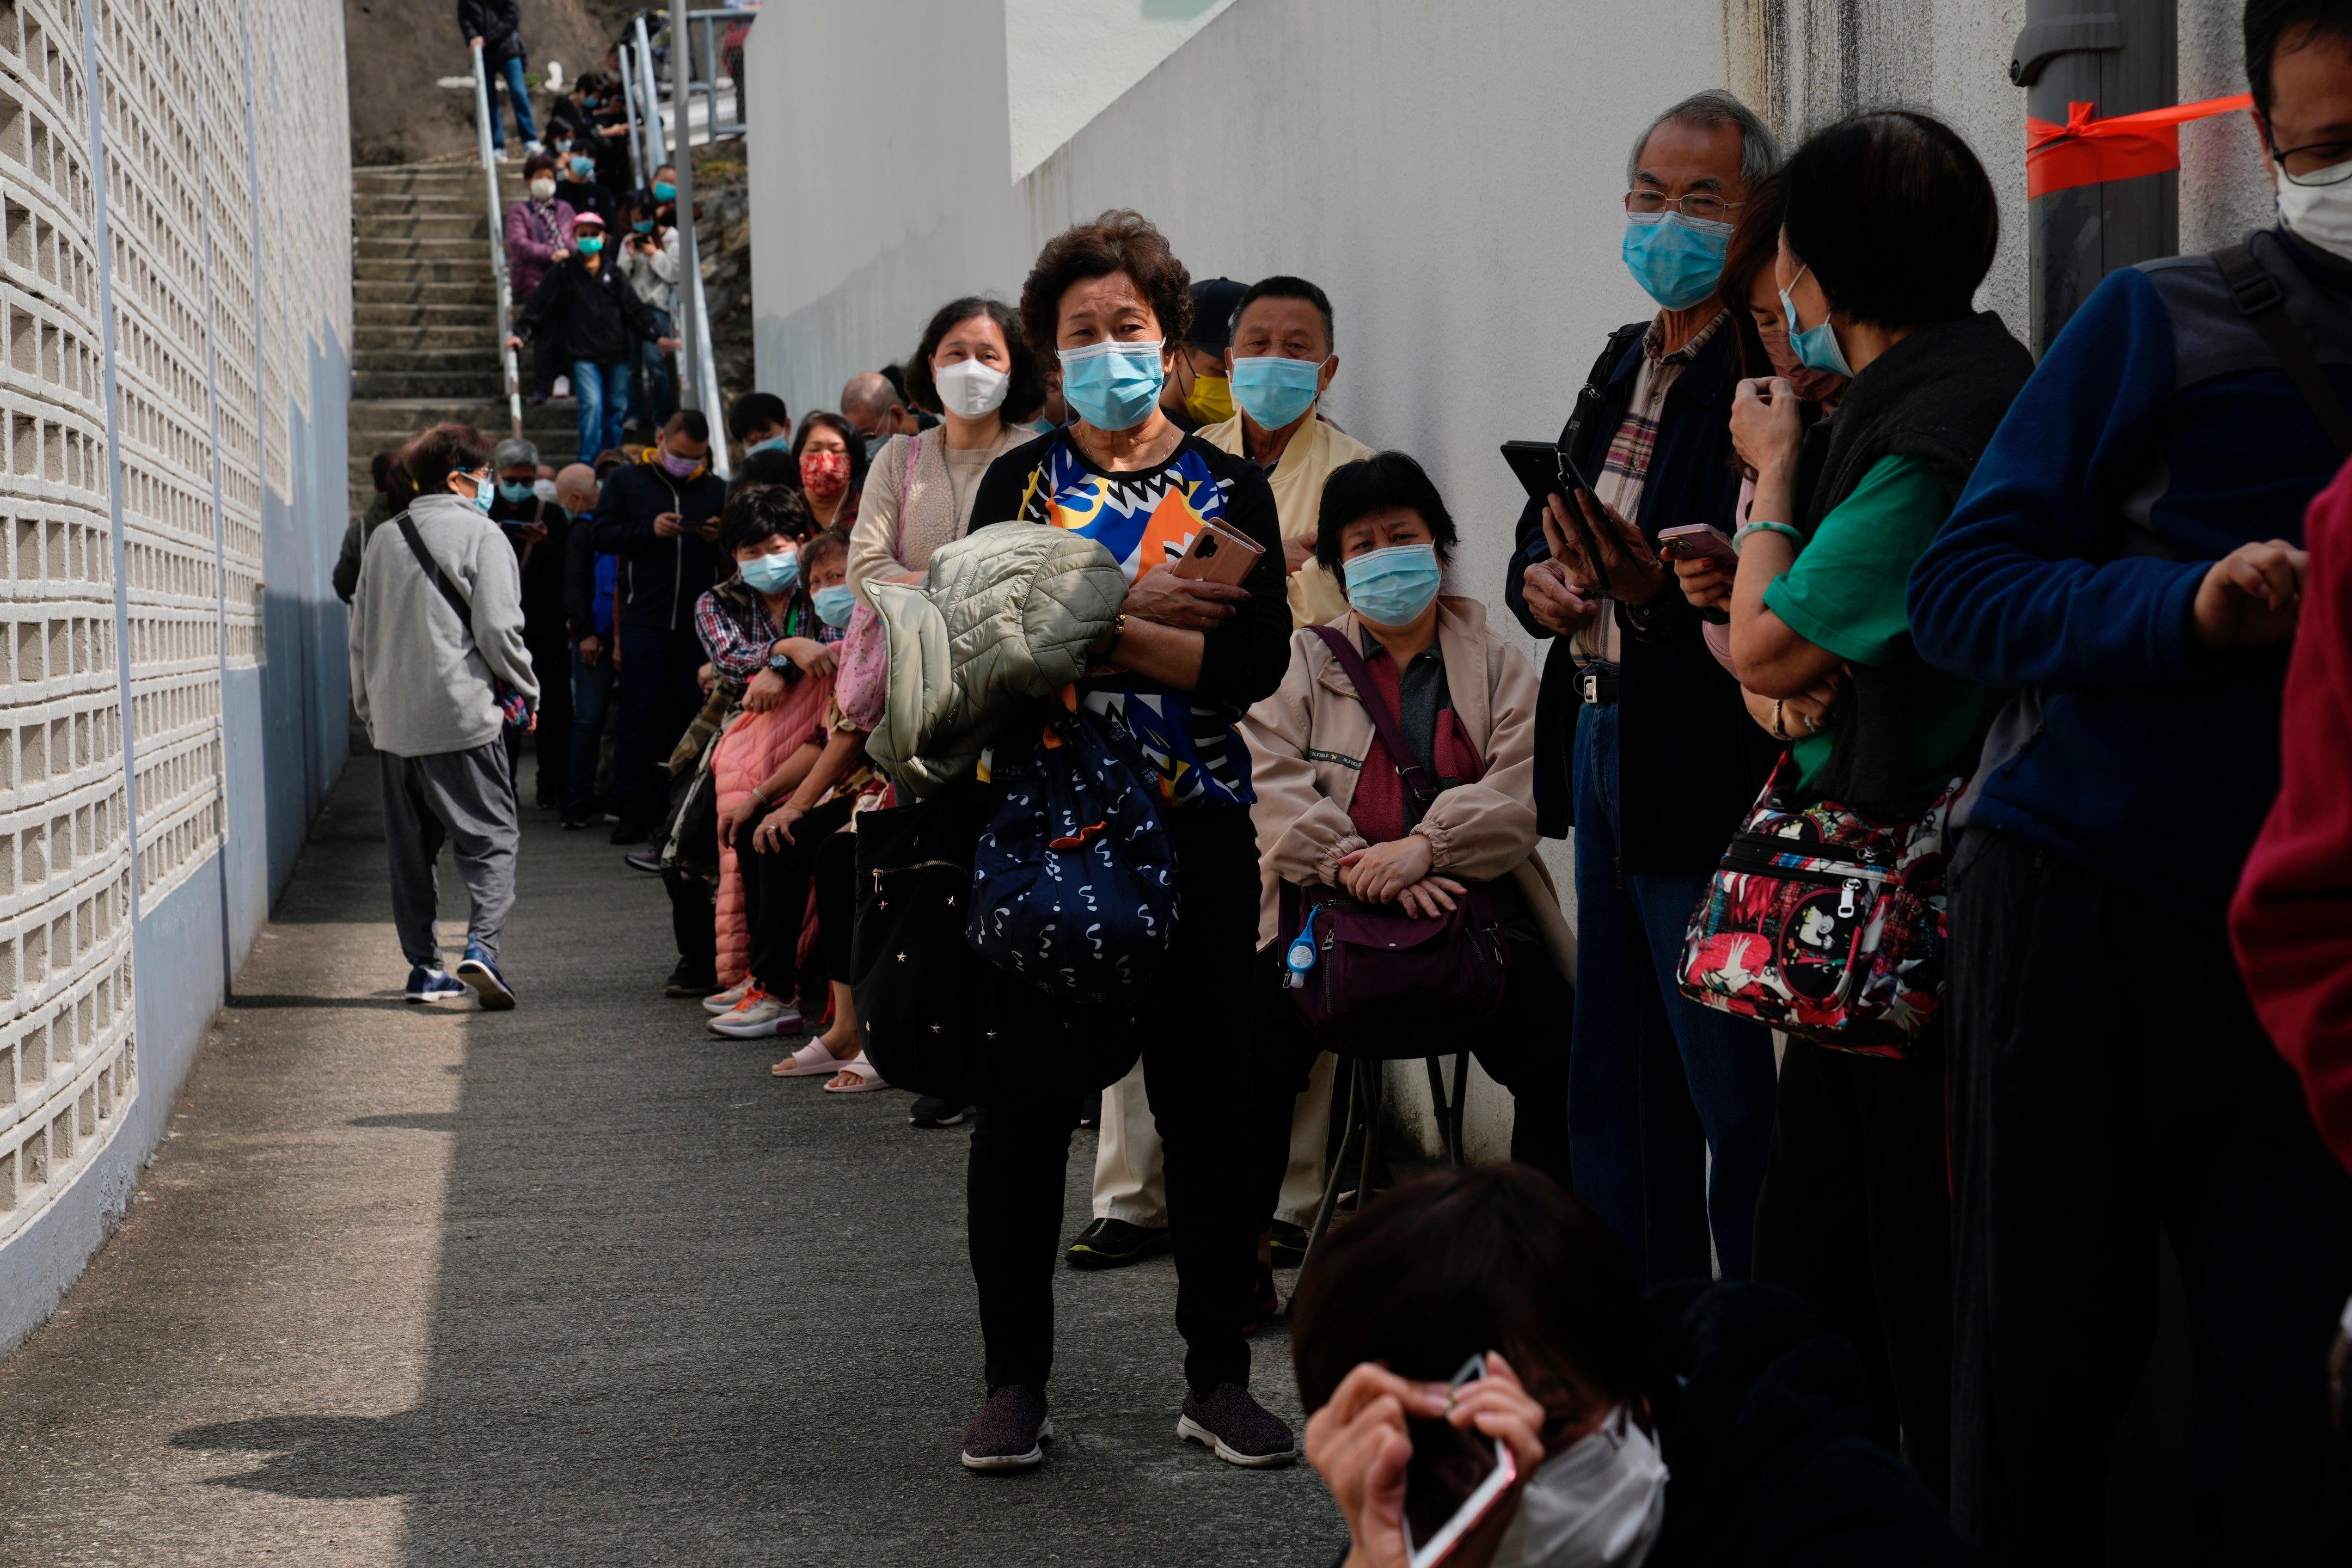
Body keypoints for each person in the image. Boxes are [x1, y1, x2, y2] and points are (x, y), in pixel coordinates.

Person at [1906, 4, 2352, 1557]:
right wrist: (2186, 610)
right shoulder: (2168, 316)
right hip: (2083, 909)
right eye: (2330, 146)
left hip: (2313, 970)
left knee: (2285, 1412)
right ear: (2271, 141)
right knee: (2041, 1390)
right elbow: (1959, 592)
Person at [1673, 109, 2029, 1508]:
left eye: (1790, 269)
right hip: (1869, 924)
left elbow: (1774, 656)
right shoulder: (1919, 398)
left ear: (1822, 272)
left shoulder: (1930, 429)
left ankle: (1901, 1515)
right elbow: (1781, 668)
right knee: (1815, 1247)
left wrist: (1765, 485)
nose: (1782, 305)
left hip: (1908, 915)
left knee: (1905, 1260)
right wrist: (1762, 606)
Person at [954, 209, 1294, 1473]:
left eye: (1130, 329)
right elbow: (985, 648)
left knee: (1213, 1109)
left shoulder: (1231, 484)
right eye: (1082, 334)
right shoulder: (1019, 481)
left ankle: (1219, 1375)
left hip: (1199, 832)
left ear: (1169, 339)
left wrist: (1089, 624)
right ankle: (1013, 1381)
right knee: (1026, 1116)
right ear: (1051, 356)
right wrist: (1141, 613)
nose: (1110, 352)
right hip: (1052, 832)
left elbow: (1249, 664)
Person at [1501, 89, 1784, 1288]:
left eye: (1704, 201)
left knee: (1727, 1084)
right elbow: (1551, 517)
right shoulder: (1628, 353)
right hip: (1603, 728)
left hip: (1706, 744)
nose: (1672, 223)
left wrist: (1672, 579)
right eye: (1652, 198)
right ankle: (1642, 1348)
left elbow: (1764, 554)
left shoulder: (1770, 368)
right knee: (1611, 1071)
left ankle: (1755, 1353)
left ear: (1759, 215)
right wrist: (1538, 581)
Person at [1294, 1166, 1970, 1568]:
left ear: (1640, 1389)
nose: (1521, 1479)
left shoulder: (1835, 1520)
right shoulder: (1394, 1541)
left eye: (1554, 1427)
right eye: (1468, 1451)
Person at [1242, 451, 1577, 1201]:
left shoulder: (1496, 666)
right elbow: (1269, 786)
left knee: (1566, 1057)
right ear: (1334, 565)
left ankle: (1529, 1255)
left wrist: (1427, 850)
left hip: (1474, 908)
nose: (1384, 557)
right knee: (1247, 1061)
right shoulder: (1296, 664)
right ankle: (1241, 1269)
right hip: (1321, 910)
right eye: (1361, 546)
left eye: (1401, 536)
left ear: (1440, 547)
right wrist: (1358, 865)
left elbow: (1522, 793)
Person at [347, 423, 537, 1010]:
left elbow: (360, 635)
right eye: (486, 478)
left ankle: (424, 968)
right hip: (462, 715)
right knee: (493, 839)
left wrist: (369, 710)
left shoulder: (383, 536)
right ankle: (481, 945)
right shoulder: (482, 534)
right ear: (459, 478)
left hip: (395, 720)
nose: (491, 489)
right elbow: (500, 628)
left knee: (411, 853)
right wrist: (528, 688)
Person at [715, 532, 877, 1083]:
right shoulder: (847, 640)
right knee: (753, 828)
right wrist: (764, 800)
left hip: (880, 788)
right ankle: (770, 981)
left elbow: (852, 737)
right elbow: (820, 738)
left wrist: (792, 809)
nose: (829, 590)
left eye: (838, 577)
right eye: (818, 583)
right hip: (847, 786)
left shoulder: (880, 631)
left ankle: (789, 995)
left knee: (804, 845)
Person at [591, 410, 731, 845]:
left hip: (697, 628)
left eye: (697, 457)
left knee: (687, 718)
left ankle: (678, 810)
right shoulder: (626, 482)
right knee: (640, 717)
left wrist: (716, 538)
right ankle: (632, 809)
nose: (688, 463)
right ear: (660, 439)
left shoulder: (716, 490)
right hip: (644, 623)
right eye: (681, 454)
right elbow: (602, 535)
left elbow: (735, 555)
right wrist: (646, 530)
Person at [844, 296, 1041, 600]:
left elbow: (1047, 568)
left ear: (1011, 373)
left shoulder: (1040, 457)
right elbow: (864, 566)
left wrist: (914, 589)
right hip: (913, 645)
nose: (971, 369)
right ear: (933, 367)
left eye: (987, 356)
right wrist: (945, 594)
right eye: (956, 353)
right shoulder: (898, 458)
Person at [511, 212, 678, 473]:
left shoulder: (615, 273)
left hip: (617, 354)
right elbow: (539, 305)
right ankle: (587, 463)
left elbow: (634, 309)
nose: (589, 239)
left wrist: (656, 335)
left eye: (594, 234)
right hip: (583, 355)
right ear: (575, 238)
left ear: (604, 238)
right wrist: (521, 334)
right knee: (591, 406)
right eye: (583, 234)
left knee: (616, 409)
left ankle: (609, 461)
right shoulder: (564, 272)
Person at [484, 437, 576, 811]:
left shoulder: (551, 516)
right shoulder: (483, 512)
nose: (518, 486)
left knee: (553, 716)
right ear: (498, 476)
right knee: (503, 719)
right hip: (499, 630)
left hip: (546, 630)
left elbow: (568, 571)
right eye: (512, 479)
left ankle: (551, 788)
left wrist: (545, 545)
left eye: (526, 479)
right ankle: (502, 793)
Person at [557, 462, 614, 829]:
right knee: (590, 719)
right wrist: (585, 632)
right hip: (597, 638)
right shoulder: (587, 530)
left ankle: (590, 798)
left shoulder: (600, 527)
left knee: (597, 720)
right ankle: (578, 799)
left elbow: (576, 585)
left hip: (607, 636)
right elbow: (575, 586)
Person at [616, 193, 681, 434]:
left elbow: (675, 273)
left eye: (643, 219)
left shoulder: (672, 238)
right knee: (632, 366)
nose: (639, 224)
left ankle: (662, 419)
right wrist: (631, 257)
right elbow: (620, 279)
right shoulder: (628, 241)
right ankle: (635, 414)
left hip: (657, 308)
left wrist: (655, 254)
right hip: (632, 310)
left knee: (656, 363)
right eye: (635, 220)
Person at [1159, 275, 1245, 432]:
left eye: (1247, 372)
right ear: (1176, 355)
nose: (1235, 386)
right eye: (1222, 371)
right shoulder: (1151, 440)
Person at [457, 0, 540, 158]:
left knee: (519, 93)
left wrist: (486, 39)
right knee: (488, 101)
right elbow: (464, 18)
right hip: (482, 55)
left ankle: (530, 141)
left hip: (508, 50)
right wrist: (473, 39)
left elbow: (511, 17)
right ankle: (496, 148)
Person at [335, 448, 411, 605]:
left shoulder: (360, 531)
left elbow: (344, 586)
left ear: (375, 487)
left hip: (377, 623)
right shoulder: (423, 520)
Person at [788, 411, 866, 532]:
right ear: (799, 456)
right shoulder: (785, 516)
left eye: (836, 451)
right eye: (814, 450)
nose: (825, 462)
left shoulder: (869, 515)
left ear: (853, 459)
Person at [840, 370, 920, 456]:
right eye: (856, 439)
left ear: (897, 415)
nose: (864, 446)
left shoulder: (932, 446)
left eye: (869, 436)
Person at [729, 391, 792, 458]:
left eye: (767, 438)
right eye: (752, 444)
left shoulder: (803, 466)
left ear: (787, 426)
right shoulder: (746, 468)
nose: (762, 448)